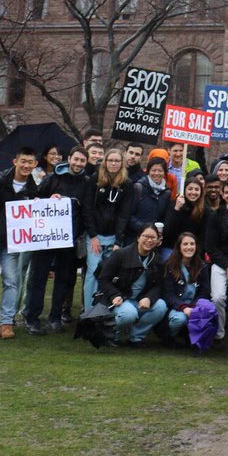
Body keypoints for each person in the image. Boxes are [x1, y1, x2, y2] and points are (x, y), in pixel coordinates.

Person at [26, 145, 89, 335]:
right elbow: (36, 200)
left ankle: (55, 318)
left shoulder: (87, 183)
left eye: (82, 161)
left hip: (69, 239)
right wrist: (48, 199)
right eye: (75, 159)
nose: (78, 163)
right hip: (46, 238)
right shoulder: (52, 178)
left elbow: (86, 210)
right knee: (38, 278)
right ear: (69, 159)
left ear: (85, 163)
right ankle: (32, 319)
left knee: (63, 280)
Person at [95, 223, 169, 346]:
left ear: (158, 240)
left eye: (153, 237)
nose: (149, 240)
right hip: (119, 300)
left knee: (161, 306)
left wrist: (149, 298)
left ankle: (135, 337)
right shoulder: (121, 254)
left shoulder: (157, 259)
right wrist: (114, 295)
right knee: (129, 314)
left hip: (139, 301)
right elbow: (103, 279)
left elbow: (159, 286)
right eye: (146, 236)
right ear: (138, 237)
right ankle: (111, 335)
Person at [82, 147, 132, 309]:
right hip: (96, 236)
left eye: (117, 161)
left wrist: (119, 240)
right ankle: (89, 311)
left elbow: (125, 214)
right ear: (105, 162)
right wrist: (93, 235)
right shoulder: (95, 179)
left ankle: (104, 310)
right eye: (110, 160)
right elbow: (87, 209)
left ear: (121, 163)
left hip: (114, 236)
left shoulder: (127, 183)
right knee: (93, 272)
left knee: (109, 274)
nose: (113, 163)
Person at [0, 146, 39, 339]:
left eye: (29, 162)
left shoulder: (35, 189)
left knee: (11, 280)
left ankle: (6, 322)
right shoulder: (1, 180)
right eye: (22, 161)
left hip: (11, 242)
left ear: (35, 165)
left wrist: (49, 201)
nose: (26, 165)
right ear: (15, 162)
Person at [205, 180, 228, 341]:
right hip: (221, 263)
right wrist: (227, 267)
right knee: (218, 297)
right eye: (226, 192)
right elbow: (211, 247)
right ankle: (219, 334)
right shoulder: (216, 216)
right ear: (222, 194)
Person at [162, 232, 214, 346]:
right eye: (185, 244)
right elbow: (168, 295)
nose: (189, 247)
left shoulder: (202, 266)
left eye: (192, 244)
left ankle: (194, 338)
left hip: (194, 306)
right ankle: (170, 336)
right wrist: (184, 308)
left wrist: (194, 307)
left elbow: (204, 291)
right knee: (179, 319)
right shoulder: (169, 266)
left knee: (209, 311)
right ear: (179, 247)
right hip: (176, 307)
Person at [165, 177, 209, 259]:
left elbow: (204, 236)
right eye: (190, 189)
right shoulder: (175, 204)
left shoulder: (204, 210)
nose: (193, 192)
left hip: (193, 249)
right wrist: (176, 209)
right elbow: (168, 232)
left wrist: (195, 252)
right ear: (184, 190)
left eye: (196, 189)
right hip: (173, 247)